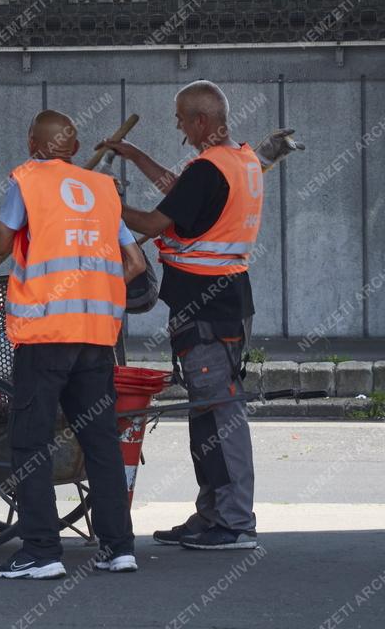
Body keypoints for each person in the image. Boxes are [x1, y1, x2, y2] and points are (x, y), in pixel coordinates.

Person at [103, 80, 263, 551]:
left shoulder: (210, 169)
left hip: (210, 309)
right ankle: (212, 514)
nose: (177, 126)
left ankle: (234, 523)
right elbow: (179, 194)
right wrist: (134, 155)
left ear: (201, 121)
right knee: (205, 415)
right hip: (223, 303)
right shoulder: (240, 160)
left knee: (221, 414)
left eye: (179, 118)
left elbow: (155, 221)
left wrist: (105, 202)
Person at [0, 110, 146, 579]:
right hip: (96, 337)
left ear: (32, 142)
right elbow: (136, 263)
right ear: (75, 149)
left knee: (30, 443)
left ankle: (41, 552)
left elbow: (0, 241)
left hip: (43, 334)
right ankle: (118, 548)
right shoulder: (102, 191)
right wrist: (92, 290)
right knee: (99, 441)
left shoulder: (27, 180)